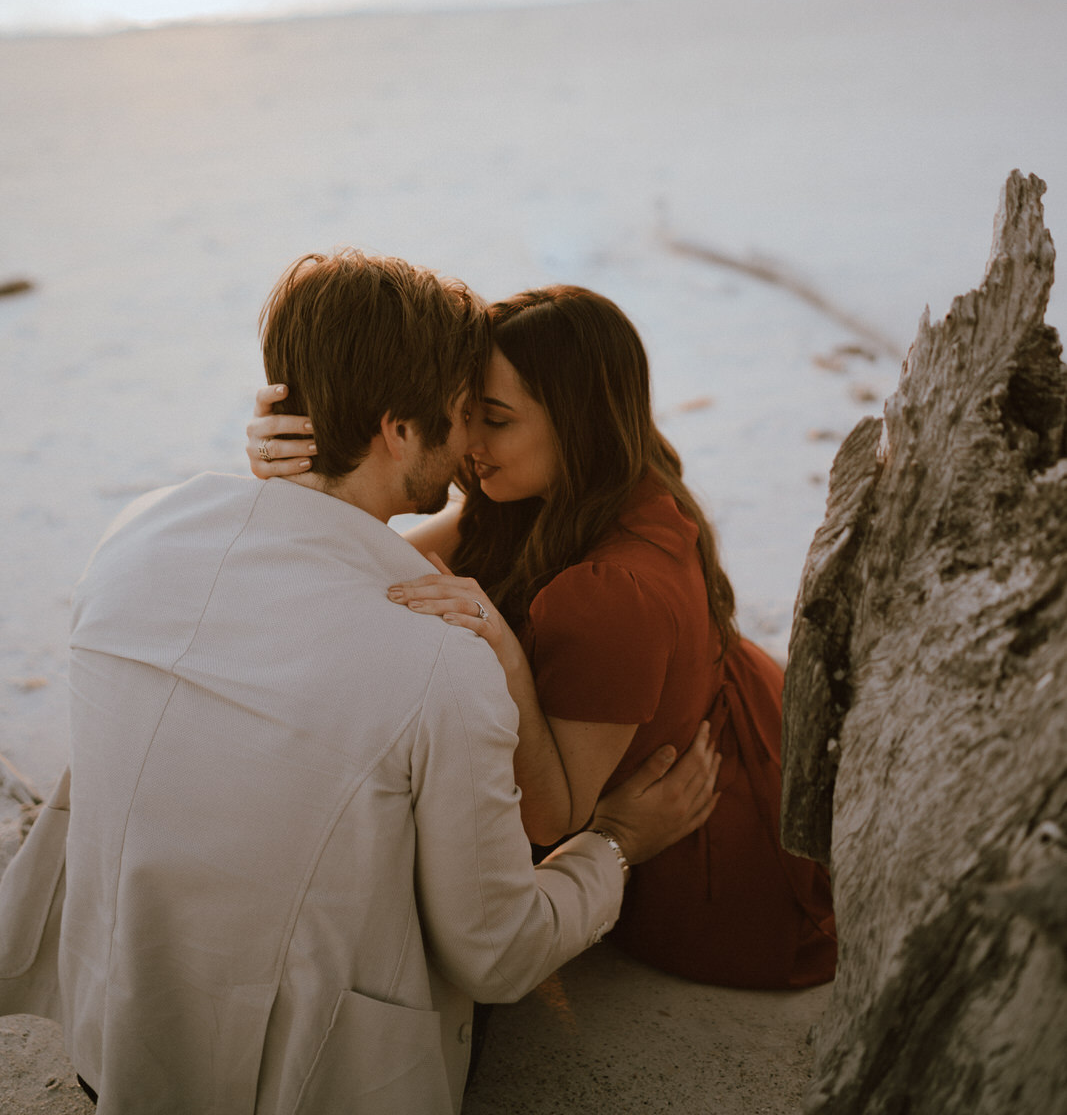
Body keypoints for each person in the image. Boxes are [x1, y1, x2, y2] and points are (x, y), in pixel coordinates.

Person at [0, 254, 720, 1115]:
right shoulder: (439, 666)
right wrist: (615, 845)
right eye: (461, 417)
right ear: (398, 430)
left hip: (106, 1032)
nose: (468, 453)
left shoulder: (134, 533)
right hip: (291, 1083)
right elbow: (498, 953)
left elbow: (311, 567)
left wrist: (292, 480)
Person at [250, 282, 836, 991]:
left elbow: (554, 816)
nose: (467, 440)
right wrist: (302, 478)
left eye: (493, 419)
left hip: (696, 854)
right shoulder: (557, 488)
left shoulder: (607, 592)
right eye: (466, 413)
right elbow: (382, 571)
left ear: (576, 421)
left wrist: (506, 660)